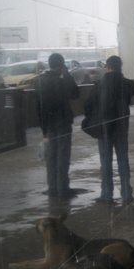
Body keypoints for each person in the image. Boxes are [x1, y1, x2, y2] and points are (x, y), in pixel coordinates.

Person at [84, 54, 134, 203]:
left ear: (107, 67)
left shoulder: (99, 85)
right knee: (122, 160)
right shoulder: (127, 84)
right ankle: (126, 193)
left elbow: (88, 105)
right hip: (121, 128)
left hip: (104, 130)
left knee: (105, 162)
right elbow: (132, 90)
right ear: (120, 67)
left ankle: (107, 194)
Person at [35, 52, 79, 198]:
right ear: (61, 65)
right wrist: (67, 75)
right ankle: (62, 188)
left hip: (49, 124)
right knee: (63, 156)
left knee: (51, 157)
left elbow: (38, 107)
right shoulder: (62, 81)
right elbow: (75, 93)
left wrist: (43, 128)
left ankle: (52, 187)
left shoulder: (40, 81)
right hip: (63, 123)